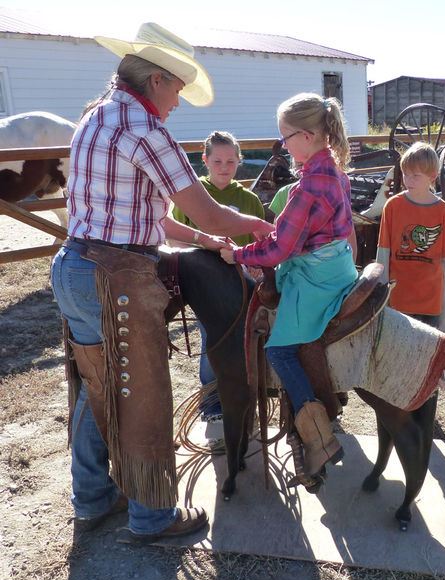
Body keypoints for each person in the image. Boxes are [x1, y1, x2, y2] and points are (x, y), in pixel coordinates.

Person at [50, 22, 273, 544]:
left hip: (75, 265)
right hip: (116, 276)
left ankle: (93, 498)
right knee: (144, 393)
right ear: (156, 80)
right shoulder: (147, 131)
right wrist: (260, 226)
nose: (177, 102)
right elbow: (211, 212)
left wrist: (199, 236)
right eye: (176, 89)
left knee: (98, 386)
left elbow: (155, 218)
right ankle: (152, 516)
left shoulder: (96, 118)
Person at [221, 92, 358, 481]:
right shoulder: (335, 171)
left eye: (286, 138)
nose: (282, 146)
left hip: (315, 277)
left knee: (279, 351)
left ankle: (318, 436)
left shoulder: (307, 187)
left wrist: (240, 255)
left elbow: (281, 248)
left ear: (310, 135)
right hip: (337, 266)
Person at [173, 131, 265, 422]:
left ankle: (245, 399)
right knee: (213, 338)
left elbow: (259, 243)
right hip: (204, 281)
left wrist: (255, 263)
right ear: (205, 161)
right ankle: (212, 404)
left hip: (242, 280)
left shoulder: (248, 199)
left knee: (246, 339)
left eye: (230, 161)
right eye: (217, 161)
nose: (224, 167)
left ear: (239, 161)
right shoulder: (192, 195)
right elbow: (176, 241)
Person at [376, 141, 445, 332]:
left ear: (432, 176)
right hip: (399, 301)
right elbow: (383, 255)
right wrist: (381, 299)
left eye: (415, 176)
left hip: (431, 303)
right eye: (405, 174)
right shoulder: (393, 206)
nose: (407, 180)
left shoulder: (442, 211)